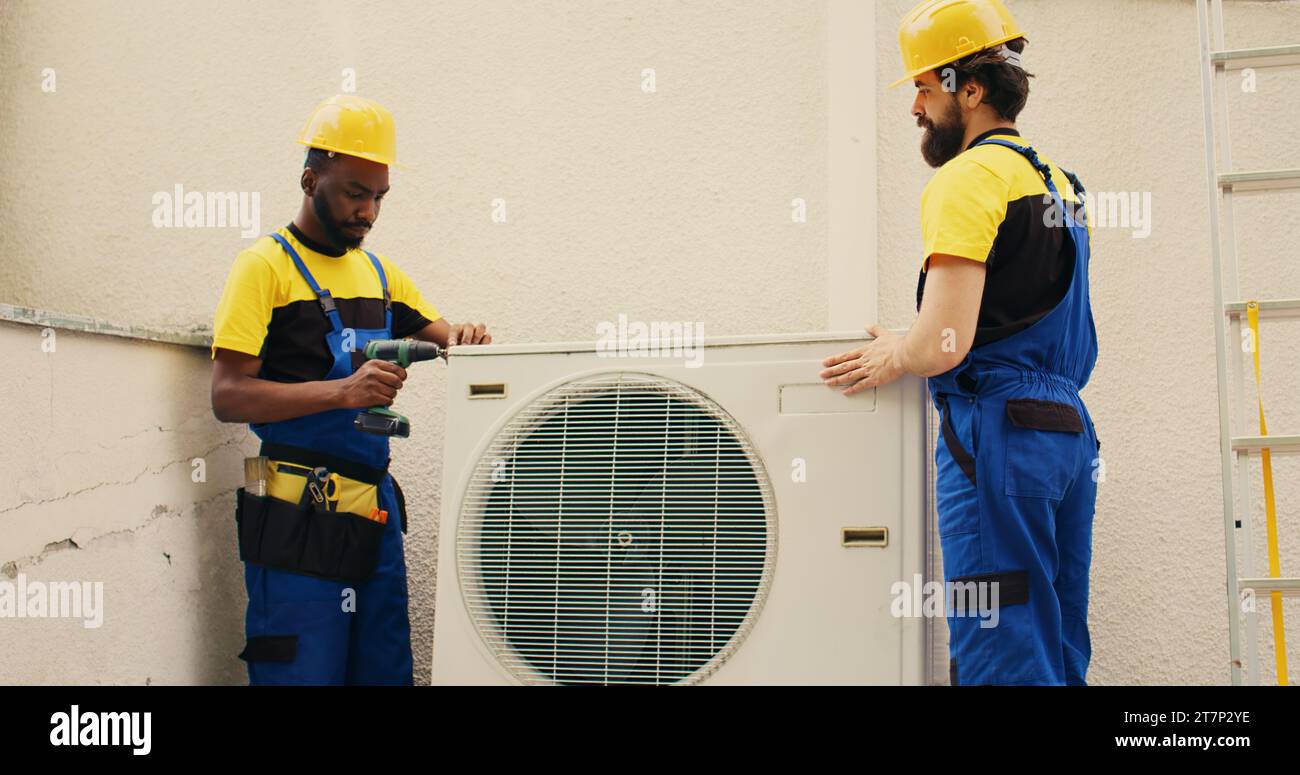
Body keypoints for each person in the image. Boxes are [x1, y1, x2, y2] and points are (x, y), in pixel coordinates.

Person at [820, 0, 1101, 685]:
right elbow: (1015, 309)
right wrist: (912, 338)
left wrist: (898, 352)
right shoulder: (1059, 183)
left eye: (923, 86)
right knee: (1057, 642)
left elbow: (946, 342)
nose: (916, 105)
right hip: (1066, 435)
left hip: (999, 433)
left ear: (967, 89)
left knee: (1001, 642)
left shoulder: (968, 179)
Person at [210, 94, 492, 684]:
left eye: (379, 197)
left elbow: (451, 340)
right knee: (302, 673)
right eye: (354, 192)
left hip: (371, 512)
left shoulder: (382, 276)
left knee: (382, 670)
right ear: (311, 178)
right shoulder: (263, 267)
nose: (368, 211)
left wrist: (467, 336)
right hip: (291, 511)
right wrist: (340, 394)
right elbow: (229, 395)